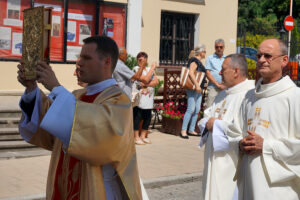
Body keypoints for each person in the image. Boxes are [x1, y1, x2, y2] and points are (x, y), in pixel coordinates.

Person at [17, 36, 142, 199]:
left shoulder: (119, 101)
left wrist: (55, 87)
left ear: (107, 62)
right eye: (80, 57)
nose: (79, 62)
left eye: (87, 58)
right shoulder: (76, 96)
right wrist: (31, 89)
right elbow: (49, 133)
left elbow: (97, 134)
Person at [227, 39, 300, 200]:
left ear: (284, 60)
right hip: (248, 182)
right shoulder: (249, 97)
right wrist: (240, 143)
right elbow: (234, 131)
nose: (260, 60)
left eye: (268, 56)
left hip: (279, 190)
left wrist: (266, 146)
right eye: (259, 55)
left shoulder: (295, 97)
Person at [198, 54, 254, 200]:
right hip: (212, 159)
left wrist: (216, 124)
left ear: (236, 71)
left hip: (231, 163)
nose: (220, 73)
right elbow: (206, 117)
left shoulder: (249, 96)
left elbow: (243, 131)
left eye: (223, 69)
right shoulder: (223, 93)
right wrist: (209, 123)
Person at [180, 45, 207, 139]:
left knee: (197, 109)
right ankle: (183, 130)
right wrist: (197, 85)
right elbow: (191, 73)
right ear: (200, 52)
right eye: (204, 51)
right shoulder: (194, 60)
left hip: (198, 88)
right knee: (191, 109)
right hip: (193, 88)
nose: (205, 53)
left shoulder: (198, 61)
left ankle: (191, 129)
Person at [133, 52, 159, 145]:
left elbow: (156, 82)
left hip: (148, 99)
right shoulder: (136, 69)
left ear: (146, 60)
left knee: (147, 117)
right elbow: (145, 78)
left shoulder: (148, 69)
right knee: (137, 117)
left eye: (142, 60)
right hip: (139, 99)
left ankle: (143, 136)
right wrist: (152, 69)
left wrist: (146, 84)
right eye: (139, 60)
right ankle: (136, 137)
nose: (140, 62)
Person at [205, 39, 226, 108]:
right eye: (217, 47)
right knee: (209, 108)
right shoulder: (210, 58)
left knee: (222, 108)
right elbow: (207, 73)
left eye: (221, 47)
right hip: (213, 87)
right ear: (214, 47)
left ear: (224, 47)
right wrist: (217, 84)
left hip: (224, 87)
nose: (219, 49)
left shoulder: (227, 58)